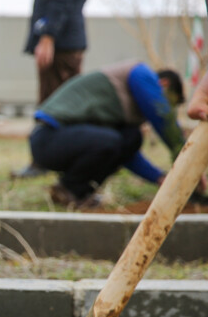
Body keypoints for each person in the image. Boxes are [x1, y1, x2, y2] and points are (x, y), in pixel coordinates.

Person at [29, 60, 195, 208]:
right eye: (172, 102)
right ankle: (68, 188)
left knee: (131, 137)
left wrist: (161, 179)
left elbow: (125, 155)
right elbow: (161, 114)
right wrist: (188, 159)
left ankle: (76, 192)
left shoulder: (125, 112)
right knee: (113, 140)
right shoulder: (140, 73)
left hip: (66, 140)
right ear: (163, 84)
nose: (170, 109)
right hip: (48, 137)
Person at [12, 0, 90, 179]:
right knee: (64, 108)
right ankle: (59, 161)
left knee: (52, 109)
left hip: (60, 45)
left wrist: (48, 36)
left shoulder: (54, 39)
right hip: (66, 41)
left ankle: (44, 161)